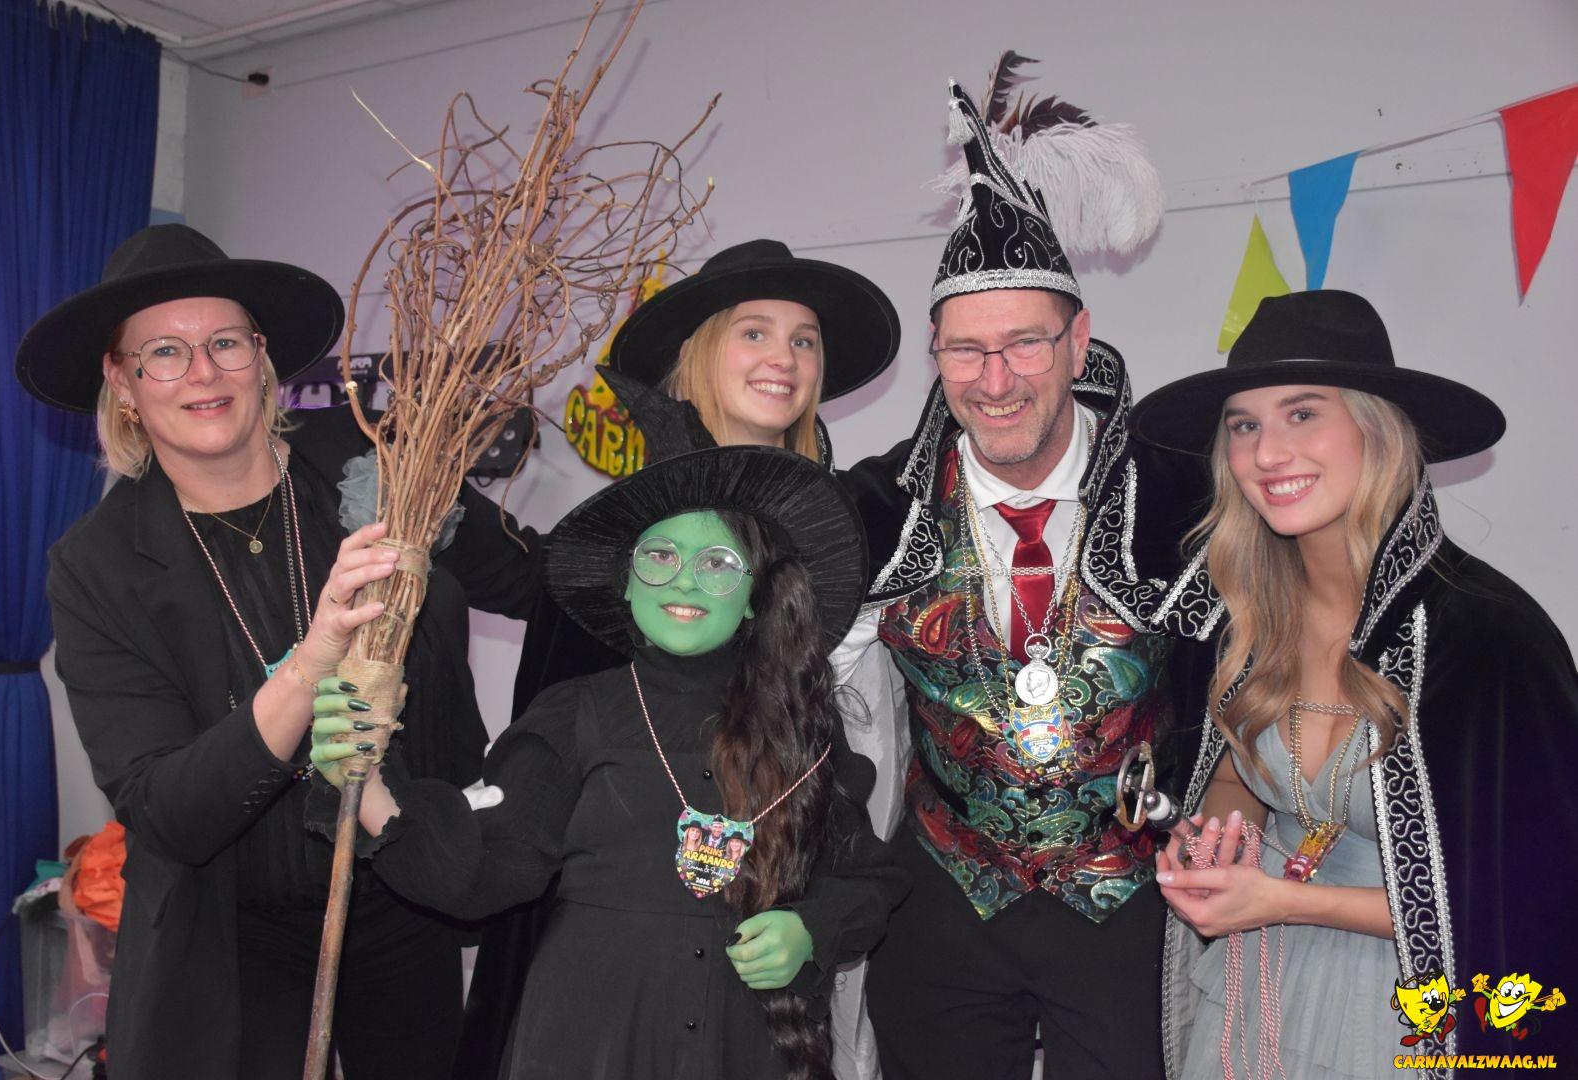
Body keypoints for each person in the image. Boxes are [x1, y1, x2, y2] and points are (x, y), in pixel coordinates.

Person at [19, 224, 543, 1079]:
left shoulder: (379, 472)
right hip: (231, 937)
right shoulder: (99, 566)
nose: (203, 372)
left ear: (260, 357)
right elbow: (166, 811)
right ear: (121, 382)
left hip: (405, 900)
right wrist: (312, 660)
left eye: (225, 342)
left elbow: (541, 583)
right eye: (164, 352)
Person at [308, 433, 909, 1080]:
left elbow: (867, 878)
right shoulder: (573, 715)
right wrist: (368, 786)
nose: (684, 579)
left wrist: (811, 928)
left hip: (745, 1050)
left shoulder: (800, 730)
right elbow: (483, 869)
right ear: (626, 584)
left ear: (755, 598)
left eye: (717, 562)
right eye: (660, 555)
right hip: (587, 1045)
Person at [836, 83, 1207, 1079]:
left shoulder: (1181, 497)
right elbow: (797, 691)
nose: (994, 380)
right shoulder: (876, 513)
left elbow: (1248, 686)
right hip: (942, 909)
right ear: (936, 355)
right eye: (966, 349)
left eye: (1023, 345)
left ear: (1078, 343)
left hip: (1131, 909)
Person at [470, 238, 901, 1080]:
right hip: (622, 973)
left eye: (804, 339)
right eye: (754, 332)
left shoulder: (858, 520)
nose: (784, 358)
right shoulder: (633, 547)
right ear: (698, 352)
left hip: (793, 928)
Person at [1131, 289, 1578, 1075]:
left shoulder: (1488, 640)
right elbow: (1235, 770)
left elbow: (1529, 903)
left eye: (1302, 414)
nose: (1267, 454)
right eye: (1244, 425)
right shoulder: (1242, 619)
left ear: (1378, 429)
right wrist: (1222, 838)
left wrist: (1288, 900)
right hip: (1251, 999)